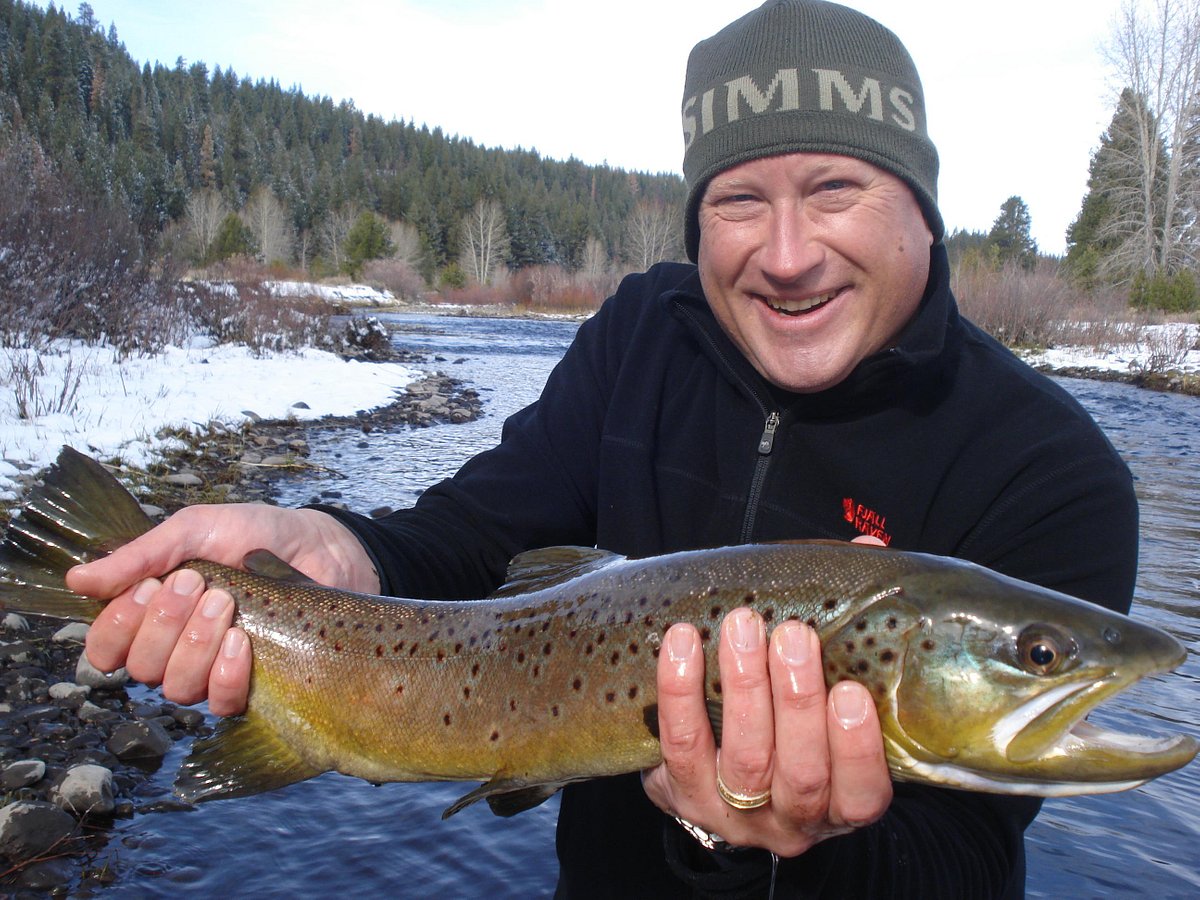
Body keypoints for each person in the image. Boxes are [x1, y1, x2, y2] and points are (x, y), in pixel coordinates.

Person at [68, 1, 1138, 896]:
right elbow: (477, 533)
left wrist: (761, 838)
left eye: (836, 191)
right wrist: (341, 548)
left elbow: (962, 865)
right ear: (696, 218)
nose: (787, 254)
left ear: (923, 205)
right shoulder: (644, 333)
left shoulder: (1052, 471)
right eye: (737, 201)